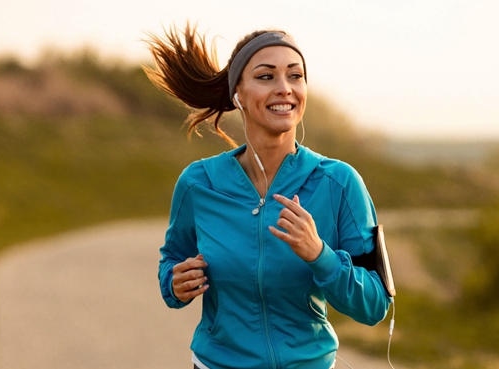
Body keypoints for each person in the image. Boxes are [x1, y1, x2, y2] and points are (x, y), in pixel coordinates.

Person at [144, 23, 392, 369]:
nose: (284, 89)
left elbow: (375, 304)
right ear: (238, 95)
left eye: (295, 76)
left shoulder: (338, 183)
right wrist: (175, 282)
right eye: (265, 77)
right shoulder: (199, 184)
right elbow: (172, 260)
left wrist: (320, 254)